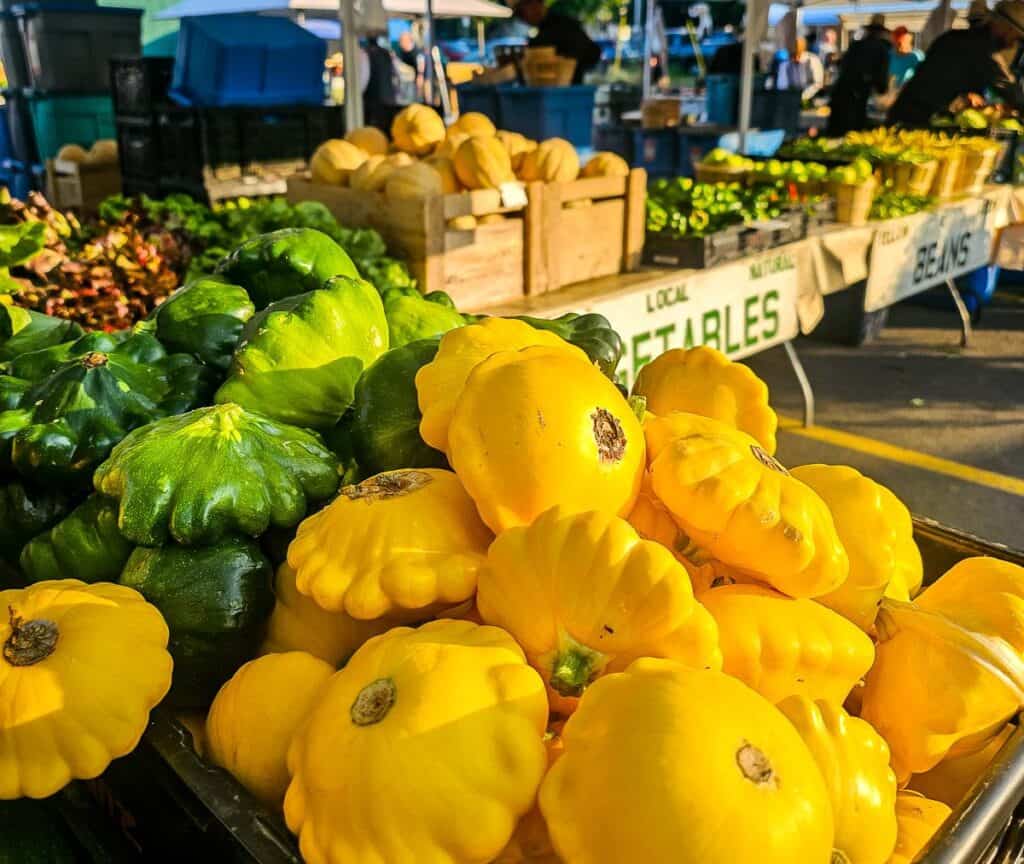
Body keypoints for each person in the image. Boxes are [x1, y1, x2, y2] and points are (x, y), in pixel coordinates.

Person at [888, 0, 1024, 127]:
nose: (1013, 44)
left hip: (906, 115)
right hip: (916, 122)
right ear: (1005, 28)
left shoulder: (952, 37)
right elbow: (1011, 91)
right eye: (1016, 38)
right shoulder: (983, 50)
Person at [826, 14, 891, 135]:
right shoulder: (881, 49)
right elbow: (881, 78)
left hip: (842, 94)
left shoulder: (855, 45)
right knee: (853, 131)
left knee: (836, 131)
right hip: (857, 96)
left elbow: (843, 66)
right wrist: (882, 89)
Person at [512, 0, 601, 84]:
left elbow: (592, 52)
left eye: (521, 13)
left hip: (565, 88)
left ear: (534, 4)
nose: (523, 20)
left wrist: (567, 63)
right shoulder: (551, 26)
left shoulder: (560, 26)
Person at [777, 36, 825, 101]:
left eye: (798, 45)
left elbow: (817, 83)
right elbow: (783, 85)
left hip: (810, 98)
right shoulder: (786, 63)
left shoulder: (813, 60)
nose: (796, 47)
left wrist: (802, 97)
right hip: (790, 99)